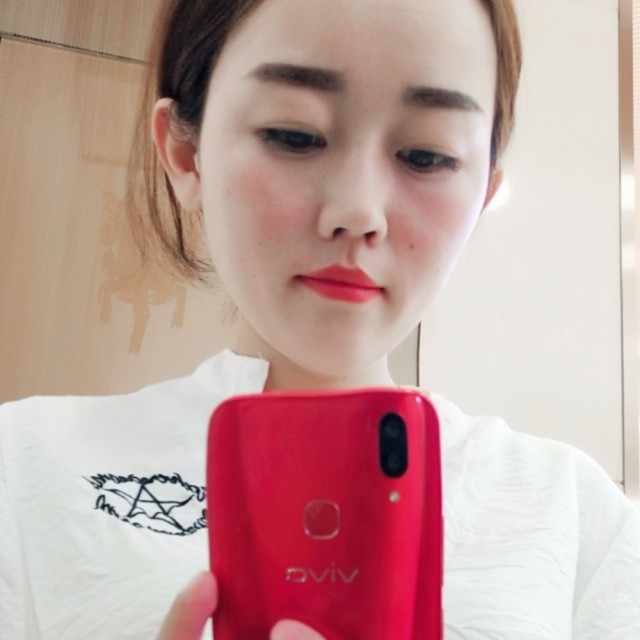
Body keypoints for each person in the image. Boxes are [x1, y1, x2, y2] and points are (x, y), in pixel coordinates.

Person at [1, 0, 638, 638]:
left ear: (482, 196)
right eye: (295, 135)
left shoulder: (583, 522)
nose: (359, 210)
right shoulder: (24, 468)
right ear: (185, 154)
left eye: (425, 155)